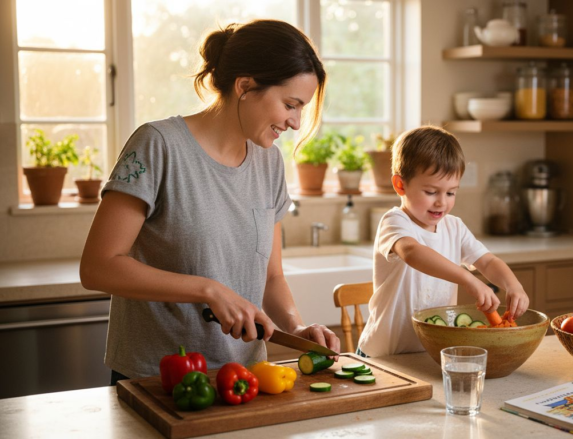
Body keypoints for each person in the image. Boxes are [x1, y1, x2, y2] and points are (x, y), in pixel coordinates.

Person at [80, 19, 340, 383]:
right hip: (157, 378)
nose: (296, 122)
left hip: (243, 378)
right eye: (290, 104)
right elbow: (97, 267)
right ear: (245, 86)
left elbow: (271, 276)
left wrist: (295, 328)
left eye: (301, 109)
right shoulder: (159, 145)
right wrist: (208, 289)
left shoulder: (269, 162)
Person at [356, 126, 530, 357]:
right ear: (400, 185)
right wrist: (467, 278)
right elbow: (412, 252)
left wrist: (513, 286)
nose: (441, 203)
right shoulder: (395, 221)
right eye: (431, 192)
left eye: (450, 193)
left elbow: (487, 261)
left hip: (430, 353)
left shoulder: (454, 226)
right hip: (384, 354)